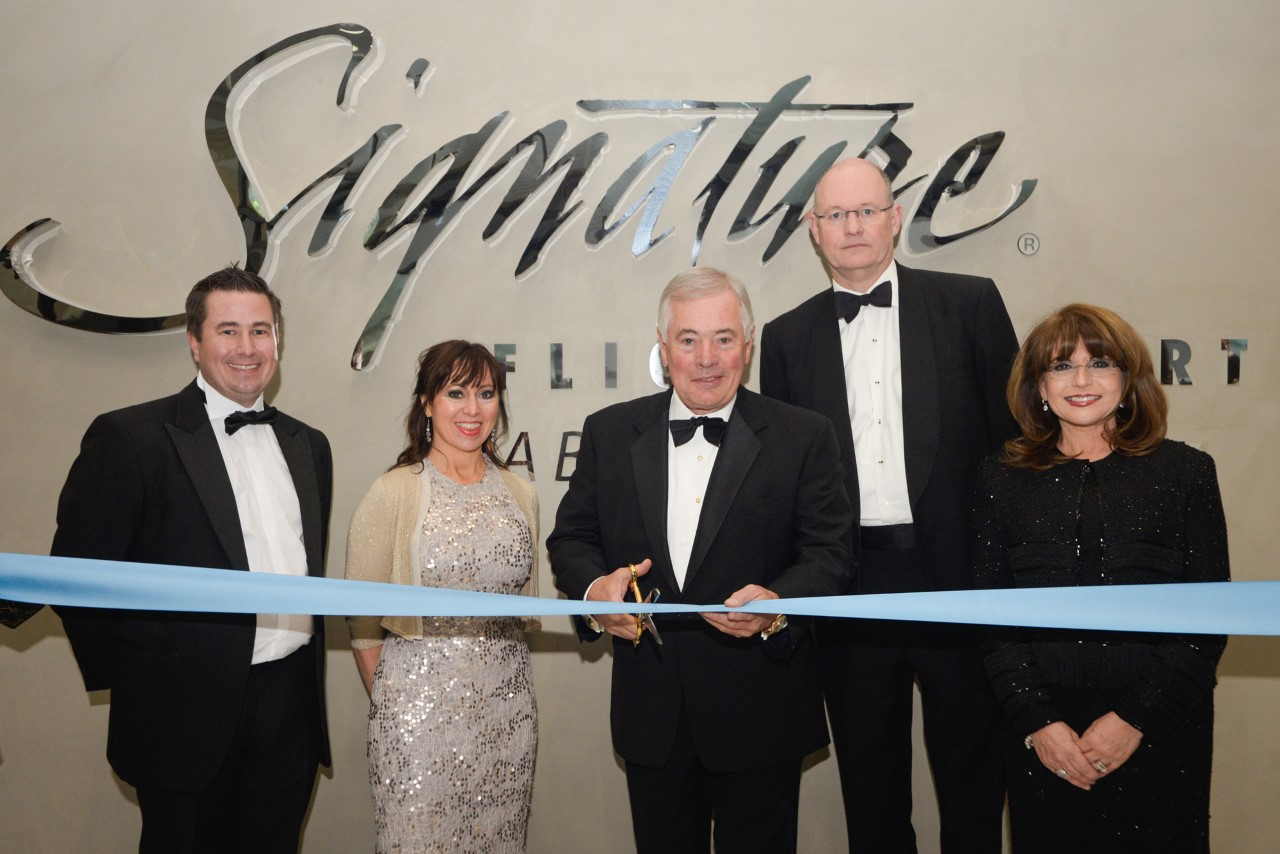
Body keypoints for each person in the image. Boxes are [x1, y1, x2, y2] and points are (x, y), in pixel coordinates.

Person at [547, 267, 854, 853]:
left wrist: (778, 602)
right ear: (664, 350)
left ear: (749, 341)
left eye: (723, 338)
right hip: (652, 716)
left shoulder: (803, 434)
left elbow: (832, 551)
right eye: (688, 340)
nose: (706, 358)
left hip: (761, 713)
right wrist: (595, 595)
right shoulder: (610, 432)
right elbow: (572, 539)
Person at [758, 156, 1016, 853]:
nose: (852, 227)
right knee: (869, 793)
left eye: (866, 210)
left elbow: (1015, 449)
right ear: (814, 231)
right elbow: (783, 487)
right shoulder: (785, 339)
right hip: (848, 588)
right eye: (836, 215)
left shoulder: (970, 305)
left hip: (958, 583)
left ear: (895, 218)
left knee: (973, 782)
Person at [51, 265, 332, 853]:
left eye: (261, 330)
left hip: (289, 704)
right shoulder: (131, 438)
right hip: (181, 711)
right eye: (228, 330)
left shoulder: (310, 445)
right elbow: (77, 576)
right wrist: (141, 675)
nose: (247, 348)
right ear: (194, 342)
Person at [972, 303, 1228, 852]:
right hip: (1045, 737)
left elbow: (1207, 625)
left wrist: (1136, 719)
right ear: (1040, 386)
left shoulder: (1186, 474)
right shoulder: (1000, 479)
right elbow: (992, 623)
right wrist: (1038, 721)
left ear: (1129, 380)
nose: (1081, 381)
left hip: (1161, 732)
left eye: (1101, 364)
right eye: (1062, 367)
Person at [344, 340, 539, 852]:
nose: (472, 410)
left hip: (508, 717)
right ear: (427, 403)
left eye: (485, 393)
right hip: (417, 721)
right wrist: (400, 708)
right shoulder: (393, 491)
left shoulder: (521, 495)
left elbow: (522, 607)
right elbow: (362, 623)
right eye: (456, 393)